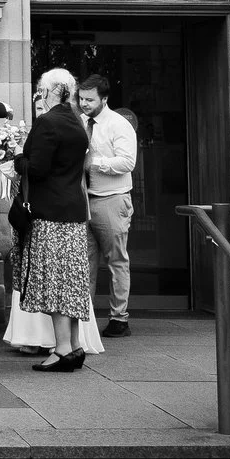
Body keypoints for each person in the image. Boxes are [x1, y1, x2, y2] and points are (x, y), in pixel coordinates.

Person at [18, 68, 94, 373]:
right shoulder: (76, 121)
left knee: (55, 281)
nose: (39, 94)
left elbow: (37, 168)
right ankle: (74, 346)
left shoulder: (48, 122)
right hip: (73, 211)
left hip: (51, 213)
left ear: (52, 91)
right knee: (71, 281)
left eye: (41, 90)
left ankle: (62, 349)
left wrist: (15, 159)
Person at [80, 73, 139, 339]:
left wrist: (96, 163)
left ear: (104, 99)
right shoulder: (80, 121)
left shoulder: (118, 124)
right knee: (86, 262)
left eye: (90, 99)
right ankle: (86, 318)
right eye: (81, 98)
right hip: (84, 199)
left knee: (116, 261)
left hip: (112, 199)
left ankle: (119, 318)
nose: (84, 104)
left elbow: (128, 162)